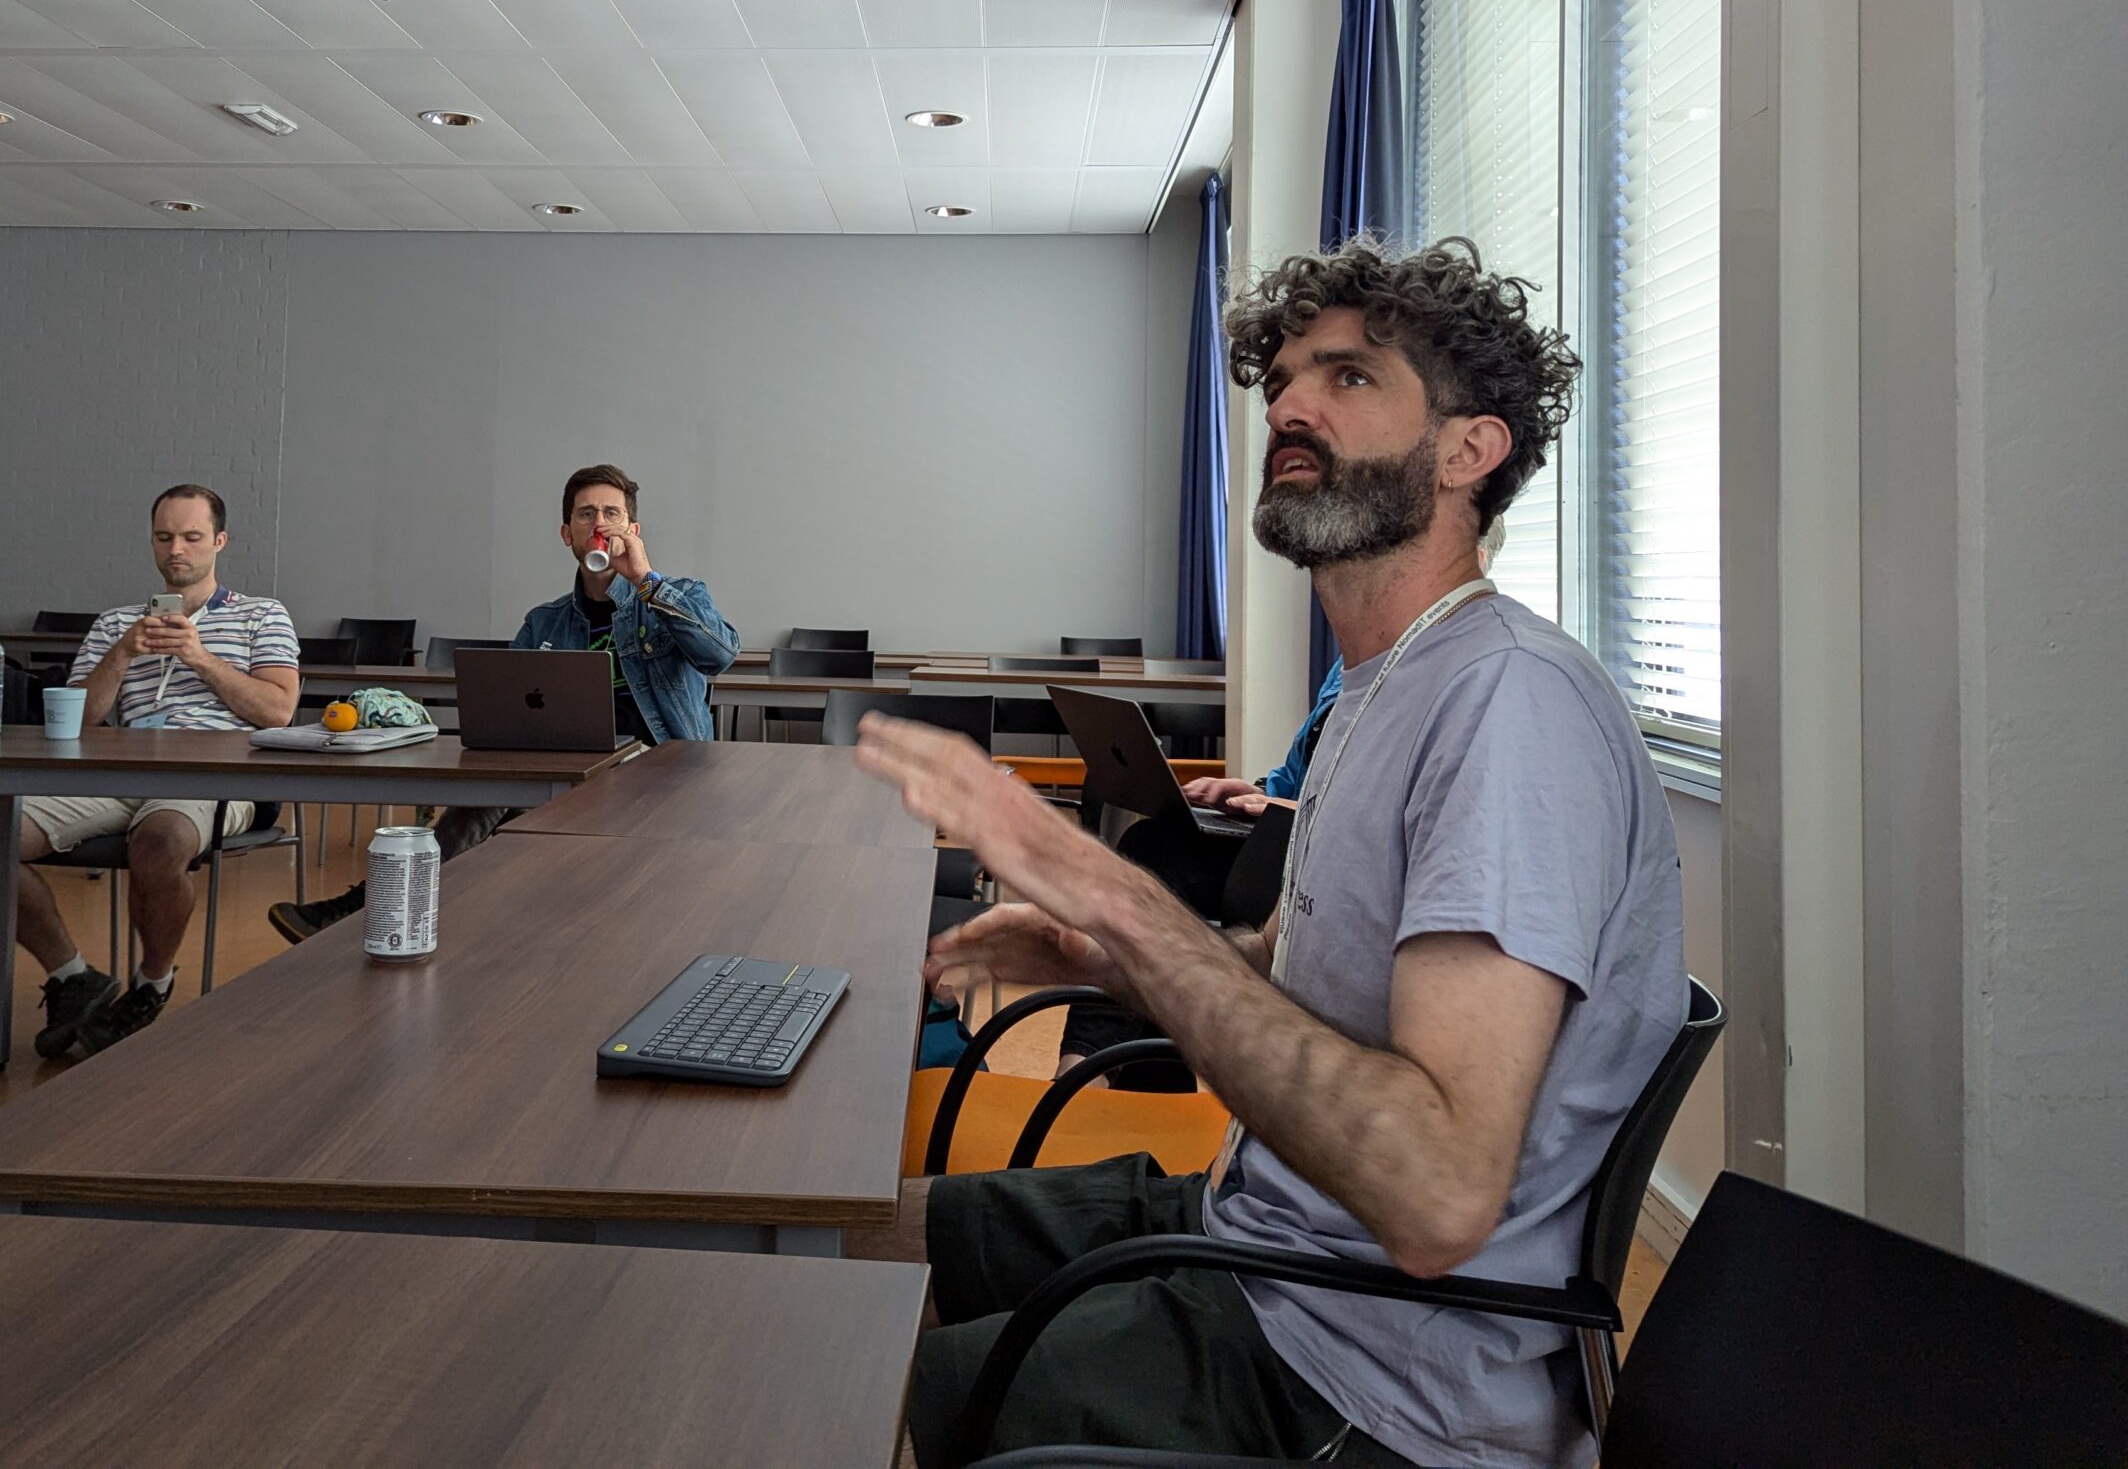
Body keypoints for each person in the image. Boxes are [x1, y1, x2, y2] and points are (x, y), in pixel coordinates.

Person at [851, 239, 1687, 1469]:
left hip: (1363, 1372)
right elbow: (1294, 978)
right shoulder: (1378, 690)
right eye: (1283, 378)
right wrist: (1105, 960)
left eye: (1349, 376)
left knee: (839, 1387)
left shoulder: (1505, 704)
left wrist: (1111, 890)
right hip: (1261, 1226)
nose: (1290, 405)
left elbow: (1437, 1194)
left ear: (1469, 449)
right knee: (860, 1240)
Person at [1063, 517, 1506, 1082]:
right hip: (1281, 834)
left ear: (1475, 563)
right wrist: (1258, 793)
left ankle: (1090, 1074)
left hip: (1325, 865)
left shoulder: (1465, 680)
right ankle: (1121, 1081)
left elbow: (1404, 821)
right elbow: (1301, 774)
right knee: (1154, 853)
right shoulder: (1353, 667)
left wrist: (1302, 813)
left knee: (1155, 857)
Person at [270, 462, 737, 942]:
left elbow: (720, 655)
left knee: (503, 820)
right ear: (567, 534)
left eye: (612, 514)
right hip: (571, 768)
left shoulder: (678, 595)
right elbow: (511, 712)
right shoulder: (544, 622)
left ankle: (367, 912)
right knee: (488, 800)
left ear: (632, 531)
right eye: (586, 514)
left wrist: (645, 581)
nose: (599, 523)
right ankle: (381, 914)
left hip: (659, 771)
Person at [0, 484, 299, 1062]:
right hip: (118, 772)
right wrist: (121, 654)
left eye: (191, 537)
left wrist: (199, 657)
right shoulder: (116, 622)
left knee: (160, 840)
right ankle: (72, 976)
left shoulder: (262, 614)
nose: (176, 550)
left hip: (215, 774)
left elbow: (278, 711)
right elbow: (78, 720)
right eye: (164, 538)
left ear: (219, 541)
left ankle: (151, 983)